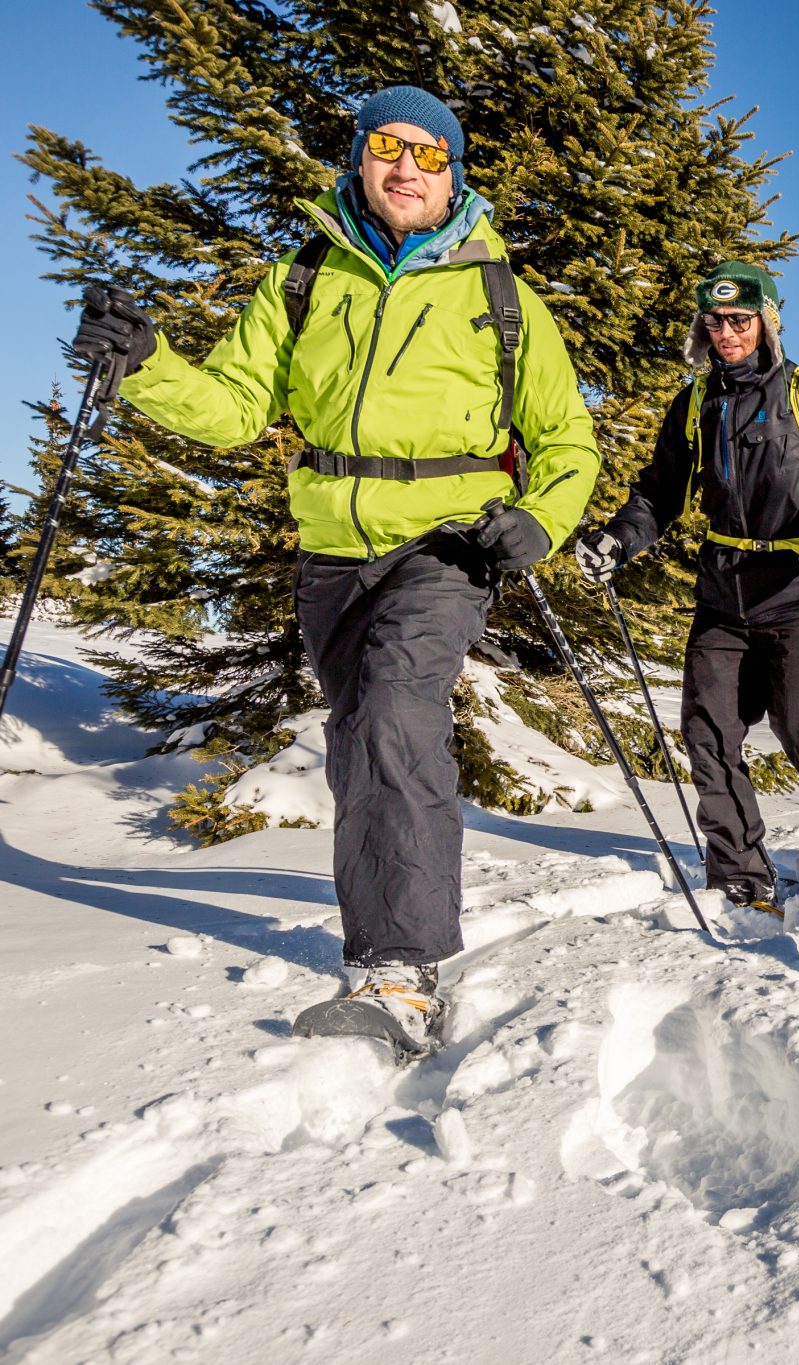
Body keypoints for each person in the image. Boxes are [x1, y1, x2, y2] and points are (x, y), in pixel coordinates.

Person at [69, 86, 599, 1048]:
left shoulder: (499, 295)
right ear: (359, 158)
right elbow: (235, 405)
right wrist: (145, 360)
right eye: (388, 147)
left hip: (446, 543)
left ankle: (402, 975)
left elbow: (568, 440)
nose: (406, 168)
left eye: (429, 154)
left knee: (398, 708)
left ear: (454, 174)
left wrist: (540, 520)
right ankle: (379, 957)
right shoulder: (305, 278)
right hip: (331, 551)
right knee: (359, 743)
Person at [574, 261, 799, 913]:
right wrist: (617, 539)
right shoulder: (695, 404)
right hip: (724, 593)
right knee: (708, 729)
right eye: (713, 320)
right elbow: (657, 494)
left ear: (768, 322)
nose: (726, 332)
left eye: (740, 319)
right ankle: (740, 871)